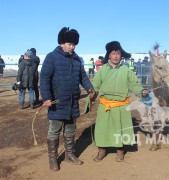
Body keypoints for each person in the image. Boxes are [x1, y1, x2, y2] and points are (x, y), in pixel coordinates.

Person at [40, 27, 94, 171]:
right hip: (57, 102)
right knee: (54, 130)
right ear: (62, 43)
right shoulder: (52, 57)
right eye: (70, 44)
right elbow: (44, 78)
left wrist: (90, 88)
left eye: (74, 44)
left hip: (72, 102)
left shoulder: (76, 60)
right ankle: (53, 159)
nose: (73, 47)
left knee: (70, 129)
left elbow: (83, 76)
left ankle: (69, 155)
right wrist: (46, 97)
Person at [92, 41, 149, 162]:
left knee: (120, 129)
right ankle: (102, 150)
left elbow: (134, 85)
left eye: (118, 53)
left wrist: (141, 91)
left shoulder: (126, 71)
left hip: (121, 106)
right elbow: (95, 86)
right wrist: (92, 94)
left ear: (121, 55)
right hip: (105, 105)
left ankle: (120, 150)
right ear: (109, 55)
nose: (116, 56)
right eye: (113, 53)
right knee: (102, 129)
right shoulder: (102, 70)